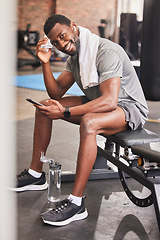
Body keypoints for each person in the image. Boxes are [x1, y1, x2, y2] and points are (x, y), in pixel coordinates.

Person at [15, 14, 148, 226]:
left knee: (89, 122)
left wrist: (66, 113)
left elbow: (110, 102)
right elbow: (56, 92)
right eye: (56, 42)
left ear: (74, 27)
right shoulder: (75, 58)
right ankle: (35, 173)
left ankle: (76, 203)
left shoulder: (107, 52)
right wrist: (45, 63)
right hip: (99, 101)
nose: (62, 44)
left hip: (128, 108)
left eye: (63, 36)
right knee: (44, 108)